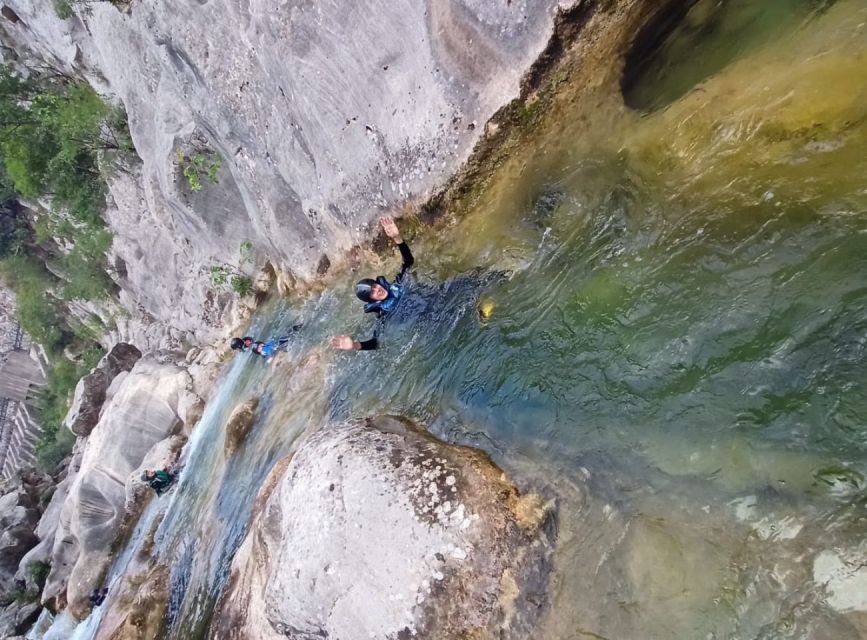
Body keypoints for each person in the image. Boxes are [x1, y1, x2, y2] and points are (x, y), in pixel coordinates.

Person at [331, 216, 413, 351]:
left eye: (375, 286)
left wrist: (397, 238)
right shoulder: (384, 315)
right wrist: (355, 345)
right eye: (373, 292)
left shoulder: (397, 284)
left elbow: (408, 261)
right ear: (372, 300)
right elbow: (376, 342)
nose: (378, 290)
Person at [230, 324, 303, 364]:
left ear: (238, 346)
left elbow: (268, 351)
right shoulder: (246, 340)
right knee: (287, 337)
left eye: (236, 348)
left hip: (274, 345)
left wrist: (270, 358)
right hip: (273, 342)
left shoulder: (251, 347)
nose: (237, 350)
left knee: (287, 342)